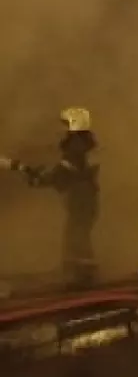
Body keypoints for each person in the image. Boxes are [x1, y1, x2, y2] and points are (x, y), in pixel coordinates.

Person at [2, 108, 99, 289]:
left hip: (81, 199)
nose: (63, 129)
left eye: (66, 124)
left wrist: (39, 178)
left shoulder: (76, 146)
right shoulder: (84, 145)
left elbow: (63, 174)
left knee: (76, 234)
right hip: (84, 198)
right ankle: (79, 273)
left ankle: (82, 277)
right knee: (77, 233)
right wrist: (39, 176)